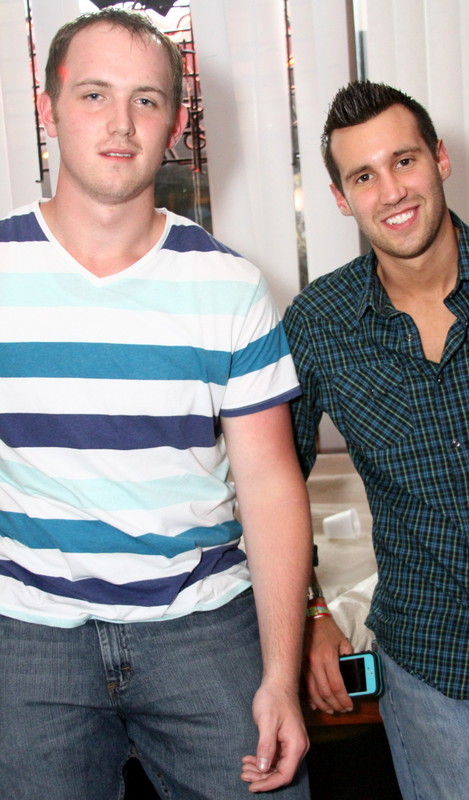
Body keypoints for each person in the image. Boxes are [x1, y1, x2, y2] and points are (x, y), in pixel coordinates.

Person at [0, 9, 312, 799]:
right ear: (48, 108)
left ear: (175, 124)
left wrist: (281, 677)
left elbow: (271, 488)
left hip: (204, 628)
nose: (120, 122)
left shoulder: (230, 285)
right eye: (94, 94)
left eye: (145, 100)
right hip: (28, 637)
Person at [283, 80, 469, 800]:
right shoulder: (318, 324)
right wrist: (312, 615)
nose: (391, 191)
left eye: (404, 161)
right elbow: (273, 485)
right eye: (363, 176)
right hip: (427, 668)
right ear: (342, 198)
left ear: (440, 159)